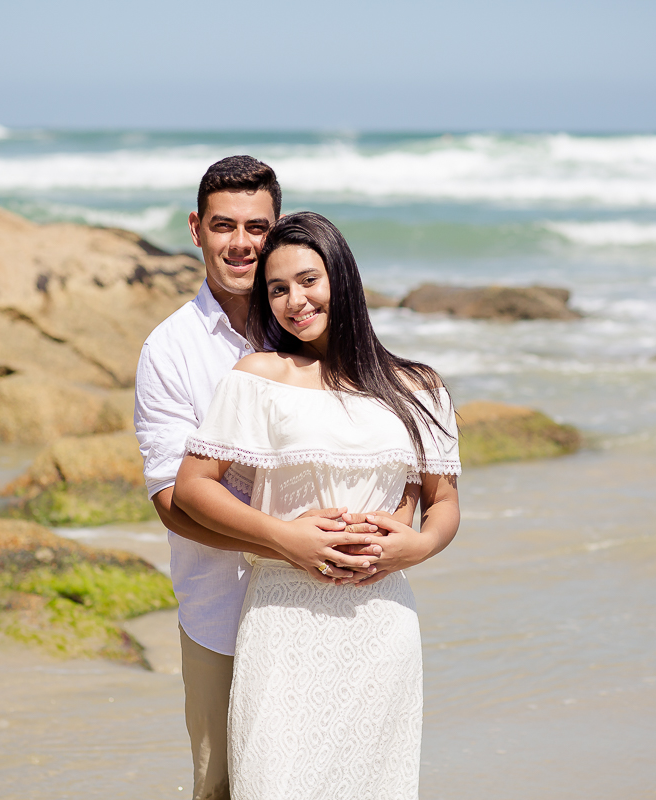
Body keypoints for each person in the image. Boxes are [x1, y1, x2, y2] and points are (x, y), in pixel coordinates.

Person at [173, 212, 462, 800]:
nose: (293, 301)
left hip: (380, 625)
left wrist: (421, 545)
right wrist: (285, 538)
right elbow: (192, 488)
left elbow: (445, 503)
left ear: (342, 276)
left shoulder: (419, 386)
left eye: (308, 280)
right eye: (276, 289)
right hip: (282, 620)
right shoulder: (259, 376)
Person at [134, 158, 385, 800]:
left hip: (325, 606)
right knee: (221, 786)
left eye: (256, 227)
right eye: (224, 226)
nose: (240, 243)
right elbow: (172, 502)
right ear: (196, 229)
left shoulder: (312, 327)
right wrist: (287, 542)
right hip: (222, 611)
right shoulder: (172, 350)